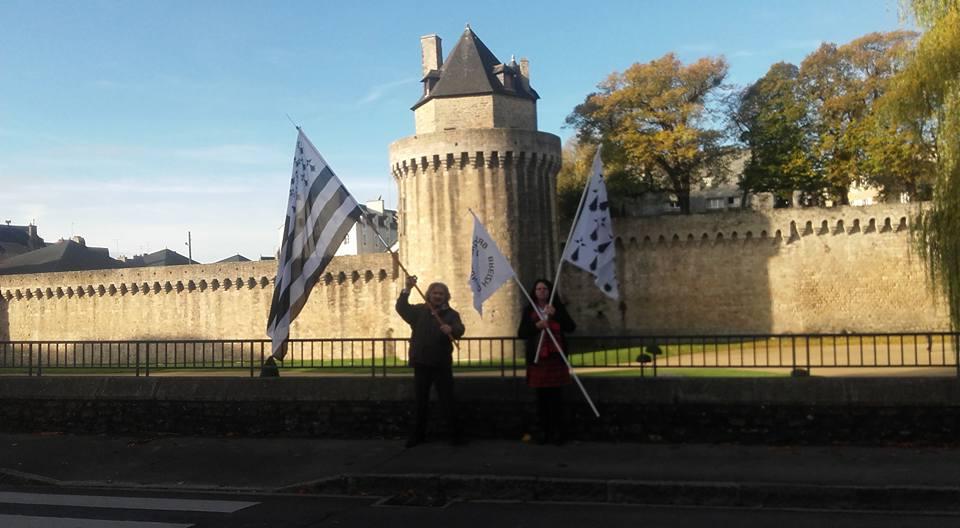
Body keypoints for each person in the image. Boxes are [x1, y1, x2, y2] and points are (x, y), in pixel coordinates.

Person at [395, 275, 466, 447]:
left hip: (441, 363)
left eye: (441, 294)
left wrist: (452, 329)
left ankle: (454, 435)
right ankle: (418, 435)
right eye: (435, 293)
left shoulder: (451, 314)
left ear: (446, 296)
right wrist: (407, 289)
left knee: (447, 401)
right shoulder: (420, 311)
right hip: (422, 363)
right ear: (429, 295)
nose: (437, 296)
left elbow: (459, 328)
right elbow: (401, 308)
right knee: (420, 402)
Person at [517, 279, 576, 445]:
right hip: (538, 360)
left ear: (549, 291)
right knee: (541, 399)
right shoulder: (530, 310)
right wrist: (537, 326)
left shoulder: (557, 308)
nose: (541, 291)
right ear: (534, 292)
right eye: (538, 289)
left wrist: (556, 314)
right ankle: (544, 432)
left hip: (556, 359)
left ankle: (558, 433)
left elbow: (571, 327)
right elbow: (522, 333)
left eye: (544, 289)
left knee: (556, 399)